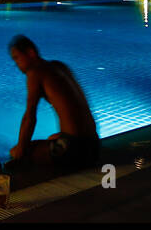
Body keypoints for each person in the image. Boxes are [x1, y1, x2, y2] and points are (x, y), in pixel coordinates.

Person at [6, 34, 100, 172]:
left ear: (31, 53)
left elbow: (29, 117)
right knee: (52, 137)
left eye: (17, 58)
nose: (16, 64)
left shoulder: (35, 72)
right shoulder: (59, 66)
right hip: (93, 144)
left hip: (75, 149)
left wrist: (20, 151)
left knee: (15, 151)